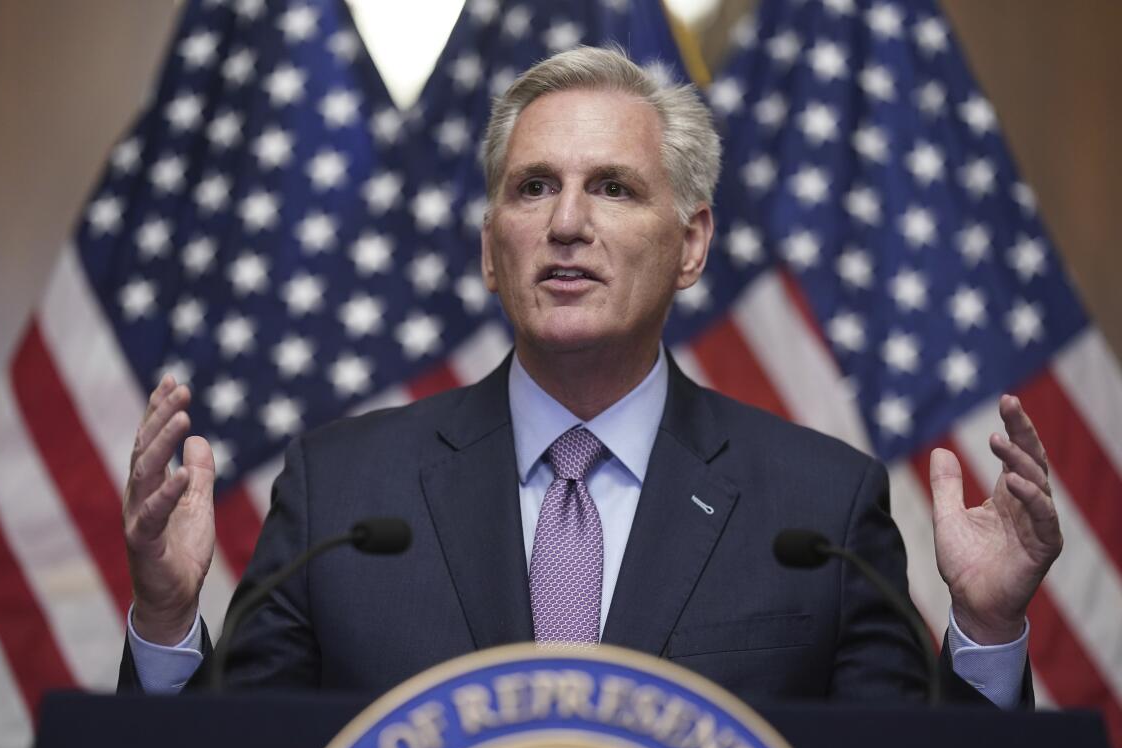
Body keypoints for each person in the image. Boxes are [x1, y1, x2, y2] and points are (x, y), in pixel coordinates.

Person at [119, 47, 1061, 704]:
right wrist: (166, 624)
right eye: (534, 189)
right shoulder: (344, 495)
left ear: (691, 243)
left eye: (612, 187)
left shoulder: (817, 510)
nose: (567, 224)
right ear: (493, 251)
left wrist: (984, 633)